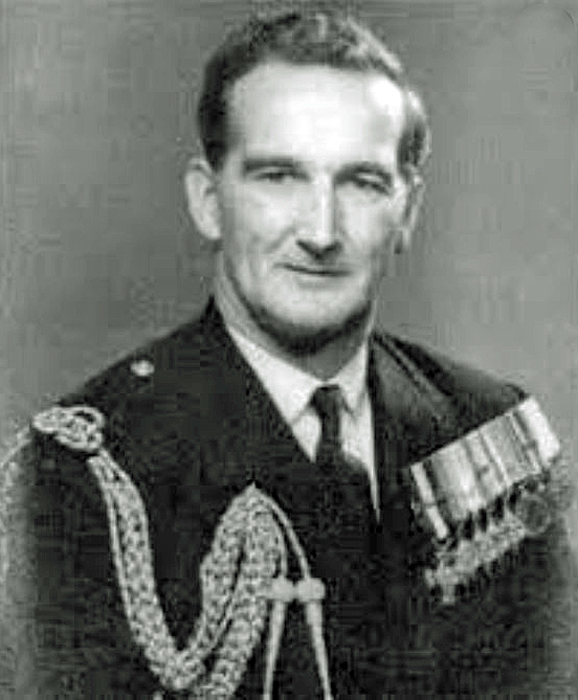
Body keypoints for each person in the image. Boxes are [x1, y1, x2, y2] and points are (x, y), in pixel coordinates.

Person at [1, 8, 577, 699]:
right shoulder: (78, 476)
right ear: (209, 201)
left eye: (362, 183)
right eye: (279, 177)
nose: (322, 232)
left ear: (408, 213)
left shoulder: (487, 429)